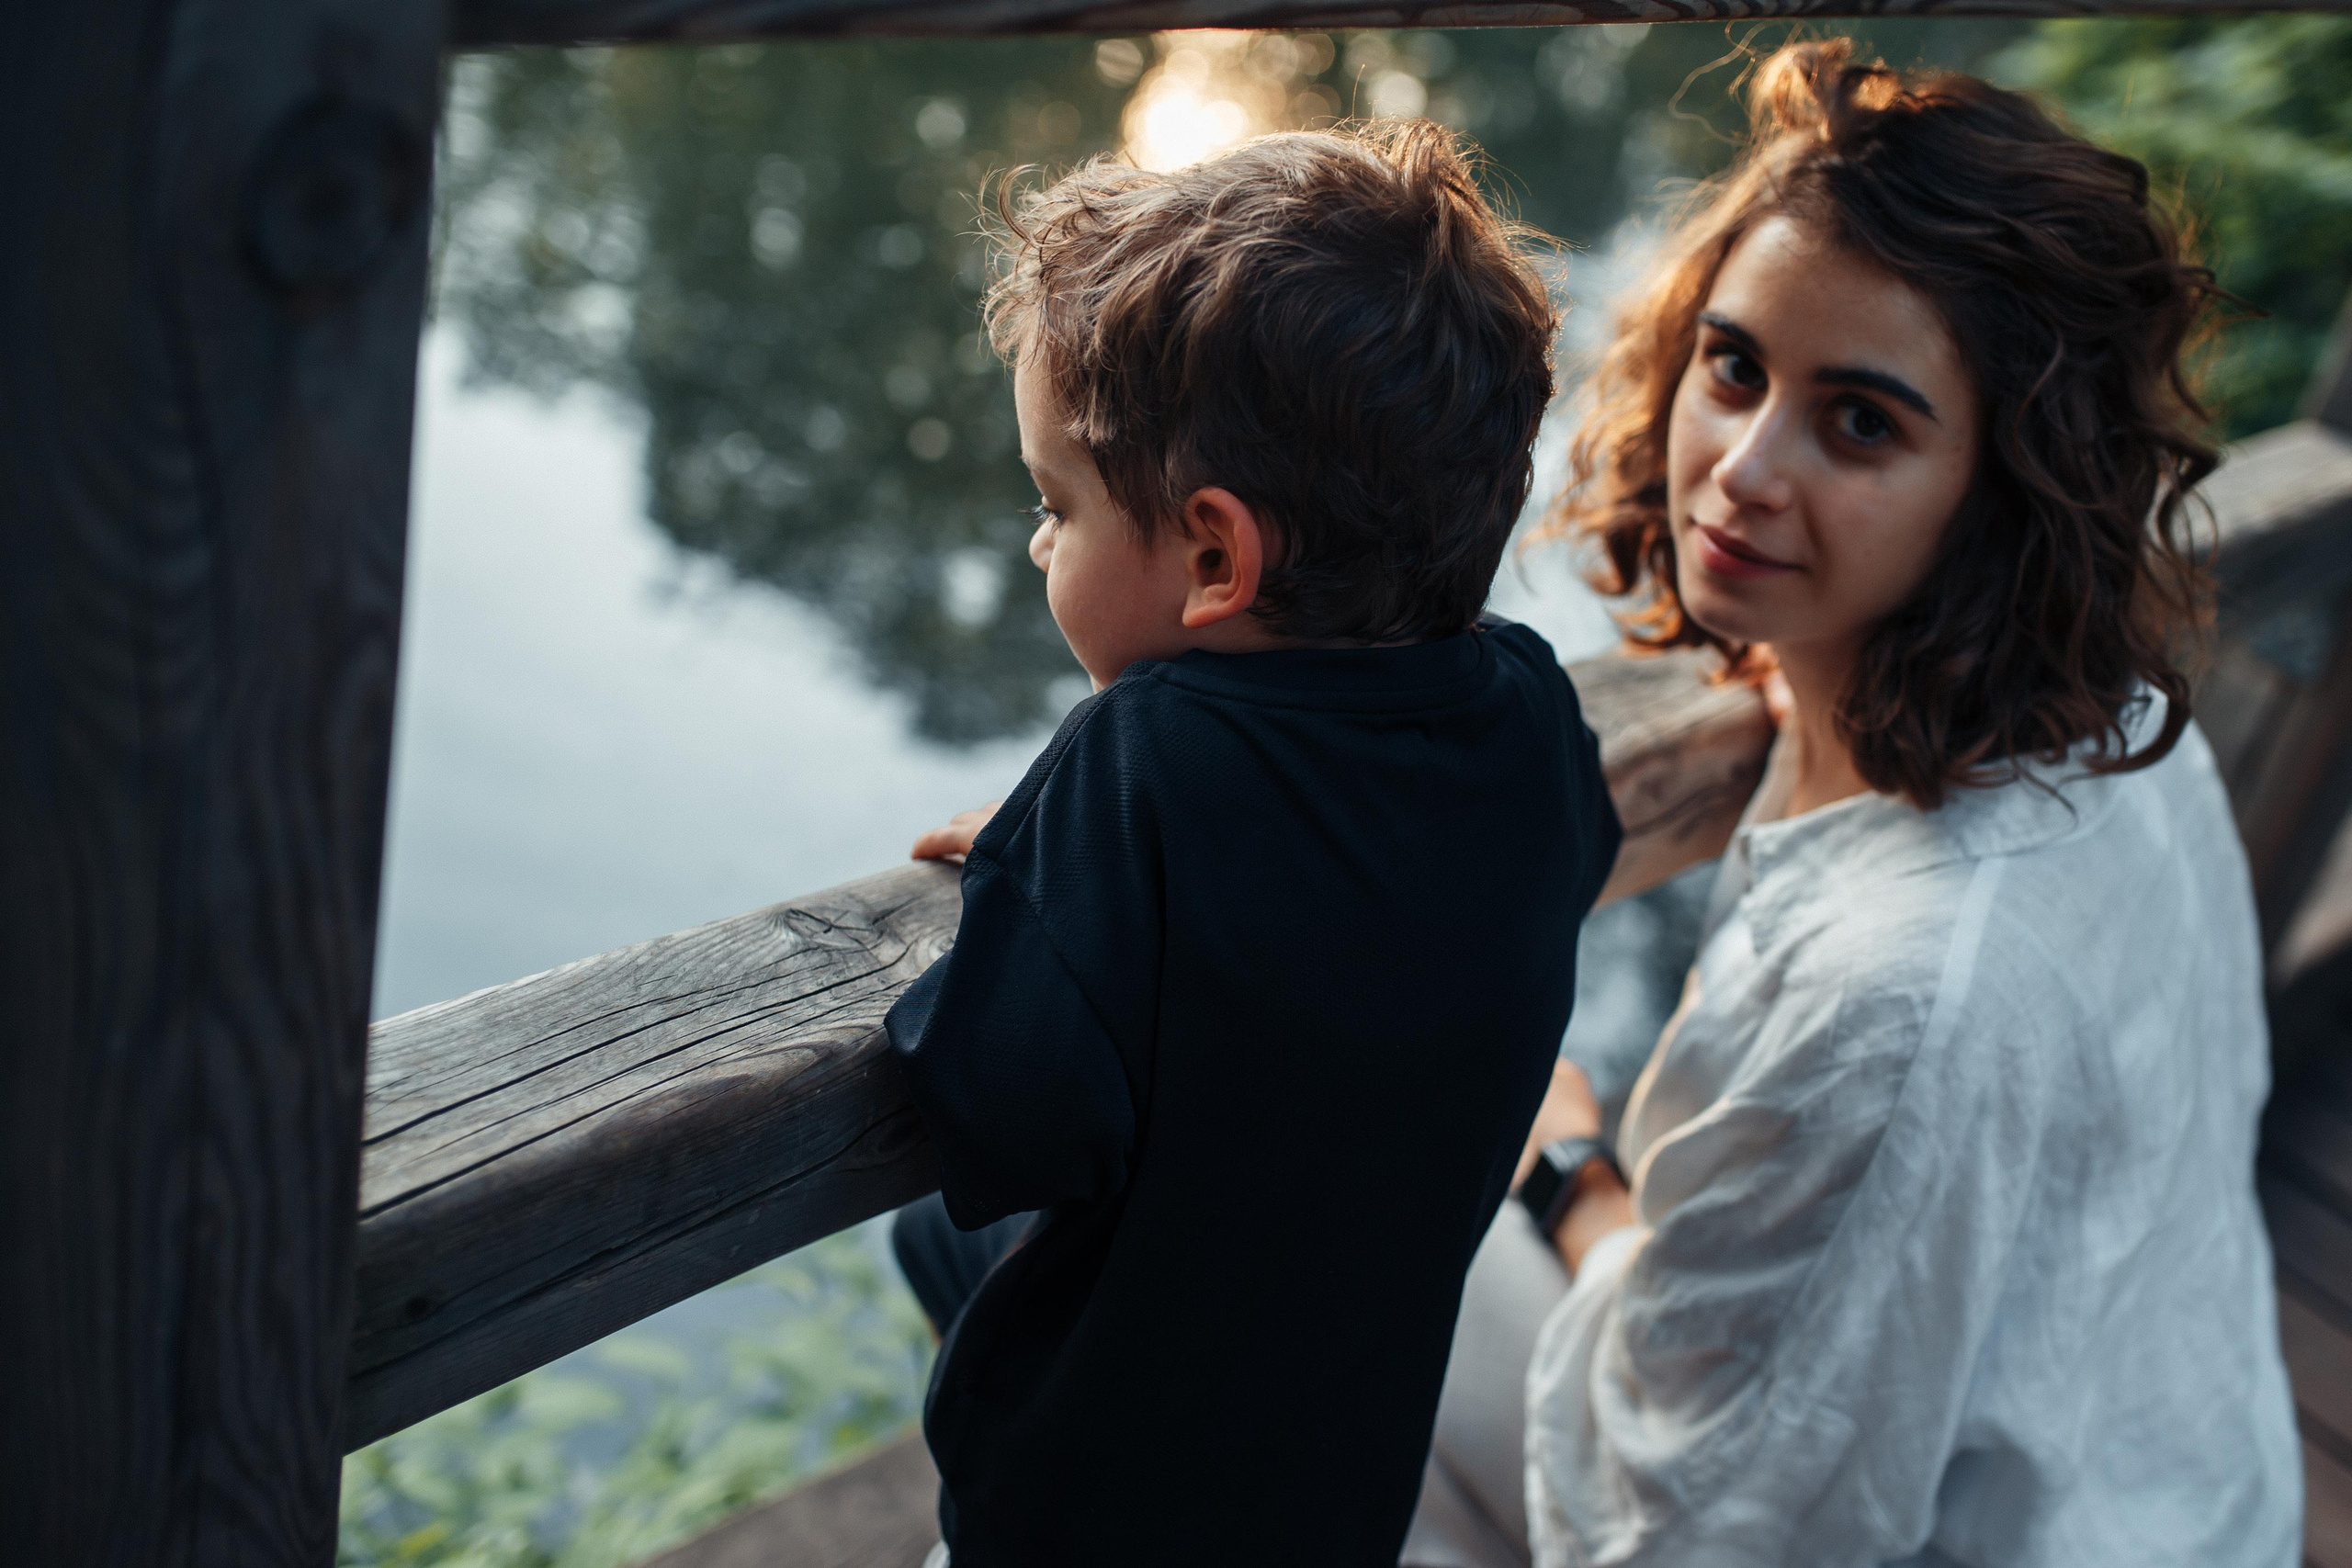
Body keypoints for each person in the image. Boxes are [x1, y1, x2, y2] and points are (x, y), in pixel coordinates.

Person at [1400, 40, 2302, 1568]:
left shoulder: (1914, 999)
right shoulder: (2123, 723)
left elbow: (1695, 1526)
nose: (1742, 471)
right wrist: (1810, 665)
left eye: (1862, 424)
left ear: (2001, 492)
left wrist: (1572, 1177)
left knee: (1268, 1267)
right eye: (1735, 367)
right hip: (2186, 1494)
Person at [884, 122, 1623, 1568]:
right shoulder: (1529, 705)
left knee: (935, 1237)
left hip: (1089, 1520)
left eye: (1057, 504)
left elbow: (997, 1108)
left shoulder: (1143, 761)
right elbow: (1559, 864)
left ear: (1217, 557)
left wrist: (1047, 870)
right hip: (1341, 1488)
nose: (1039, 545)